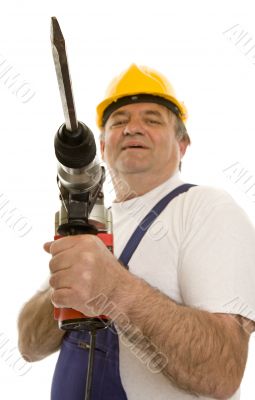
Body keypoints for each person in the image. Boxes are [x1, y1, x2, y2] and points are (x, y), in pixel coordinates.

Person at [18, 64, 255, 400]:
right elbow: (28, 346)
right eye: (119, 121)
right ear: (101, 147)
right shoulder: (91, 225)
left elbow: (222, 371)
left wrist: (113, 289)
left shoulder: (205, 208)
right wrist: (65, 291)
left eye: (152, 119)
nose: (132, 129)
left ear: (182, 143)